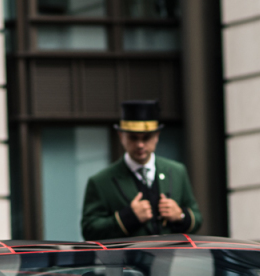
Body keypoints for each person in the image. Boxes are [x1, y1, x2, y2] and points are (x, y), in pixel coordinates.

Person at [81, 100, 202, 241]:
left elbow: (197, 218)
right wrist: (128, 218)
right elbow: (89, 231)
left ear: (157, 136)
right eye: (133, 138)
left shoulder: (177, 171)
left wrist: (180, 215)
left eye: (146, 137)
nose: (140, 145)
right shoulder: (101, 181)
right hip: (126, 261)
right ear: (121, 136)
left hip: (173, 260)